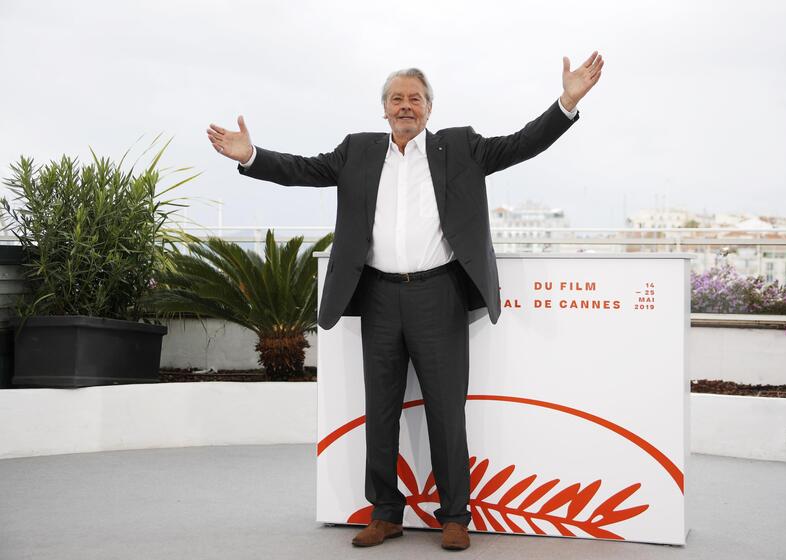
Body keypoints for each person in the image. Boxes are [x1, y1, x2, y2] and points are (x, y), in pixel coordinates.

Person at [206, 52, 603, 551]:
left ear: (430, 108)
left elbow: (522, 144)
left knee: (446, 410)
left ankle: (455, 516)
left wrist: (566, 101)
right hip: (378, 296)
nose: (406, 106)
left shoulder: (460, 147)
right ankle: (385, 512)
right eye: (397, 99)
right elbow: (301, 170)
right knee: (381, 409)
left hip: (439, 295)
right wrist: (250, 155)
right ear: (385, 110)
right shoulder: (357, 151)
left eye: (415, 98)